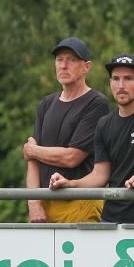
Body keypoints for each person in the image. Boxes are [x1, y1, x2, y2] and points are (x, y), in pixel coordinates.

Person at [48, 54, 134, 223]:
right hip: (111, 219)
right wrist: (70, 184)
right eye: (115, 79)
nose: (121, 85)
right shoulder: (104, 124)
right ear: (110, 83)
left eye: (128, 78)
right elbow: (101, 175)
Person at [24, 37, 109, 223]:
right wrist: (34, 203)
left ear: (87, 67)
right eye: (59, 59)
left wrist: (34, 151)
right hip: (44, 203)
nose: (63, 65)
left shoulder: (96, 103)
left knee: (83, 253)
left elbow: (71, 157)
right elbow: (32, 161)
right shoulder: (46, 104)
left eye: (71, 60)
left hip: (80, 201)